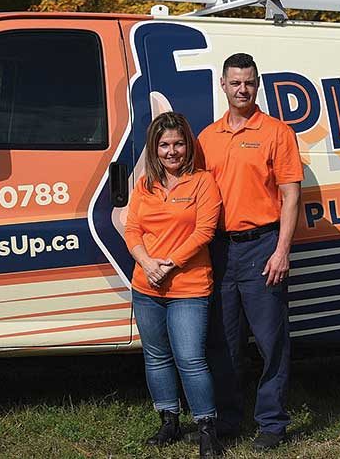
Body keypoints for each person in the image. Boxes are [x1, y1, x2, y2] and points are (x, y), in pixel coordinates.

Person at [198, 53, 303, 451]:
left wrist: (282, 251)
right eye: (235, 82)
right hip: (221, 250)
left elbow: (291, 195)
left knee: (271, 341)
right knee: (223, 341)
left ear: (257, 85)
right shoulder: (207, 138)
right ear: (223, 86)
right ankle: (228, 420)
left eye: (249, 82)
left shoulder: (277, 132)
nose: (242, 89)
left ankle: (272, 424)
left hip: (263, 247)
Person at [125, 112, 224, 457]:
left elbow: (204, 232)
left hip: (189, 286)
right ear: (154, 148)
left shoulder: (203, 182)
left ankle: (207, 429)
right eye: (164, 144)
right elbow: (132, 229)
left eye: (178, 144)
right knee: (156, 356)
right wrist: (147, 263)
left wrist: (169, 264)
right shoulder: (144, 185)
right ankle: (169, 421)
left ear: (189, 146)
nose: (172, 151)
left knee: (190, 358)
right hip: (147, 285)